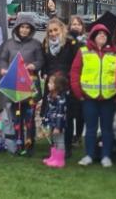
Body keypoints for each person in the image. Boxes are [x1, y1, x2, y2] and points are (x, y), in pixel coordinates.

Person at [70, 23, 116, 168]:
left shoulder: (115, 53)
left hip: (108, 98)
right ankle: (89, 155)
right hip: (89, 98)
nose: (102, 36)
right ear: (93, 36)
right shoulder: (84, 51)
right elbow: (75, 73)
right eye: (99, 34)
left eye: (105, 35)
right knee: (90, 128)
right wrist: (79, 93)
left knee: (107, 129)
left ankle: (106, 156)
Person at [0, 14, 44, 156]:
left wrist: (33, 65)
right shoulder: (9, 44)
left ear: (31, 29)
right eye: (22, 27)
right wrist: (3, 69)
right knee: (16, 116)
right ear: (17, 27)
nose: (24, 30)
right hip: (13, 85)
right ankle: (17, 144)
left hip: (30, 86)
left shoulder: (36, 44)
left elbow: (41, 61)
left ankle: (29, 145)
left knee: (29, 117)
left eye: (27, 27)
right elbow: (2, 59)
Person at [41, 18, 83, 155]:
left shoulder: (70, 43)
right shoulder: (45, 44)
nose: (53, 33)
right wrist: (45, 74)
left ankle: (67, 147)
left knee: (67, 116)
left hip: (66, 83)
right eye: (50, 31)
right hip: (51, 85)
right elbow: (45, 63)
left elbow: (77, 62)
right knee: (53, 115)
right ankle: (55, 148)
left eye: (55, 30)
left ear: (62, 29)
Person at [42, 72, 70, 169]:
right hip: (52, 122)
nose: (48, 84)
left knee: (60, 141)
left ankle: (60, 160)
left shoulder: (61, 99)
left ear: (57, 86)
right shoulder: (50, 96)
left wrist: (58, 127)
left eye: (50, 83)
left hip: (59, 124)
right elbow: (47, 109)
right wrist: (45, 120)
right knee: (53, 140)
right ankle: (53, 157)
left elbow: (60, 113)